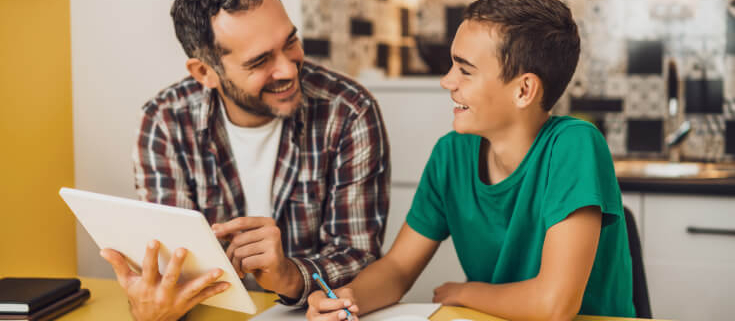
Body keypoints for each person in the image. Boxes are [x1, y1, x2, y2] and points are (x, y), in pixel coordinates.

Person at [306, 0, 636, 320]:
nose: (447, 81)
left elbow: (554, 306)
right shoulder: (450, 155)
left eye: (465, 70)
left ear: (523, 91)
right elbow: (397, 269)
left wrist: (465, 293)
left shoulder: (574, 145)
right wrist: (348, 298)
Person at [98, 0, 391, 320]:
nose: (289, 70)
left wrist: (291, 276)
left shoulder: (348, 110)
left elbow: (358, 254)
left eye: (290, 42)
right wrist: (150, 307)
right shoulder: (165, 122)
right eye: (260, 61)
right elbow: (172, 270)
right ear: (205, 72)